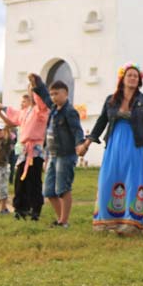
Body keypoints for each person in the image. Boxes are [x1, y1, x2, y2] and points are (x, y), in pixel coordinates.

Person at [78, 63, 143, 235]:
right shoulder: (111, 100)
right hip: (114, 144)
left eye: (136, 76)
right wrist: (86, 144)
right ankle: (105, 221)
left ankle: (131, 222)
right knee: (108, 178)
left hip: (135, 145)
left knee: (133, 180)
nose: (133, 78)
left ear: (139, 80)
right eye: (129, 75)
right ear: (122, 78)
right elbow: (101, 122)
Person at [0, 74, 50, 221]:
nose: (31, 91)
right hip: (24, 150)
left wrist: (36, 85)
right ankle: (21, 209)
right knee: (20, 180)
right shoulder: (25, 112)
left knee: (34, 180)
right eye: (30, 89)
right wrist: (0, 111)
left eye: (33, 89)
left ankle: (35, 209)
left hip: (35, 149)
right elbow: (12, 120)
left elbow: (42, 101)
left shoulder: (41, 110)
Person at [41, 79, 85, 228]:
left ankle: (63, 221)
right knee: (48, 191)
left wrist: (80, 144)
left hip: (65, 155)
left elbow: (77, 130)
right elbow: (44, 96)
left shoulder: (70, 111)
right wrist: (37, 85)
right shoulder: (54, 109)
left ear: (65, 93)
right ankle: (61, 219)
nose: (53, 97)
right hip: (53, 155)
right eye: (52, 94)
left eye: (56, 93)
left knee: (63, 188)